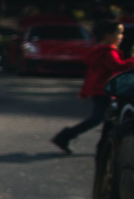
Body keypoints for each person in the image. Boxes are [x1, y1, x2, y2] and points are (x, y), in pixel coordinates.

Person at [51, 18, 134, 154]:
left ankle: (72, 138)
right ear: (108, 35)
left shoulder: (99, 51)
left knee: (104, 119)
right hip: (105, 90)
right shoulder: (108, 52)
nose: (121, 37)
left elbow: (91, 74)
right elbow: (119, 66)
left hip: (98, 90)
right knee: (99, 119)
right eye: (119, 33)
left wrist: (84, 91)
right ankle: (66, 137)